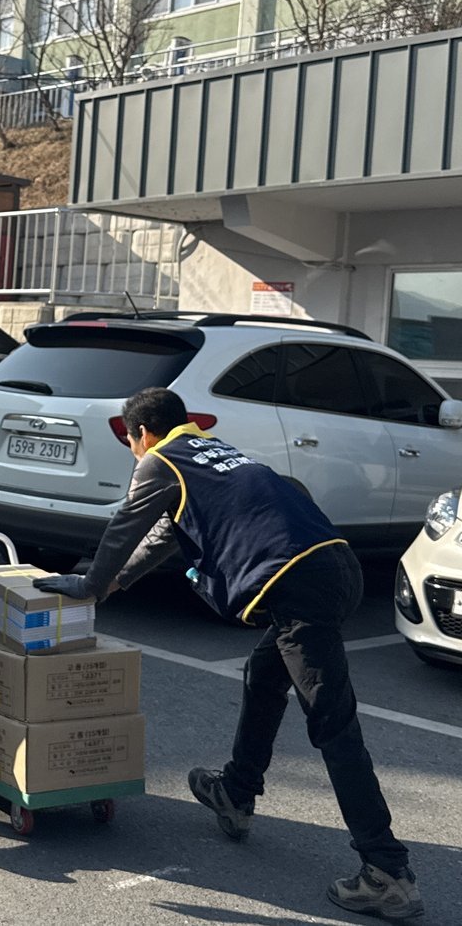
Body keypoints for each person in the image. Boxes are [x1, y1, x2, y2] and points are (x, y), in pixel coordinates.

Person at [35, 386, 422, 923]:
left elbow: (127, 525)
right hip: (335, 566)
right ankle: (236, 792)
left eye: (130, 443)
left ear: (140, 434)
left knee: (334, 727)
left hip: (297, 583)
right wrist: (116, 583)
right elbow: (165, 536)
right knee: (264, 675)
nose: (133, 451)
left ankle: (387, 873)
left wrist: (90, 586)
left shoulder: (159, 461)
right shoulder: (214, 452)